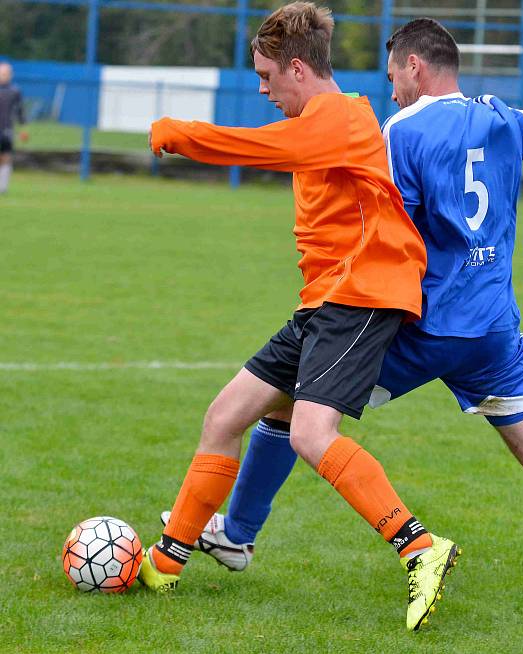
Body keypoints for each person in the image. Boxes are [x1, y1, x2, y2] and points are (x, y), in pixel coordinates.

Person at [171, 17, 523, 609]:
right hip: (495, 330)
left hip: (424, 325)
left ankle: (239, 535)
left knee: (293, 401)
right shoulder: (503, 118)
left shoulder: (399, 131)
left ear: (415, 67)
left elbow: (378, 213)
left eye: (394, 78)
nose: (393, 92)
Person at [138, 3, 461, 632]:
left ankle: (422, 549)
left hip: (363, 296)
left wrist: (181, 134)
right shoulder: (322, 120)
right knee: (226, 414)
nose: (263, 91)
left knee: (313, 434)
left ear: (296, 68)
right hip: (324, 301)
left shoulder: (340, 116)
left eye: (266, 77)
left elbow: (261, 149)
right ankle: (167, 561)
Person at [0, 62, 28, 195]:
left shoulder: (15, 91)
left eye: (6, 73)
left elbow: (20, 111)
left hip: (7, 129)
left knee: (6, 156)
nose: (4, 76)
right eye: (2, 73)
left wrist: (23, 128)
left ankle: (3, 187)